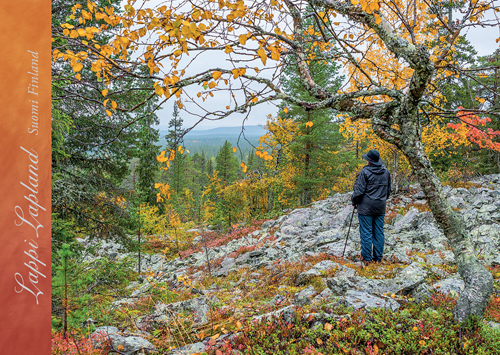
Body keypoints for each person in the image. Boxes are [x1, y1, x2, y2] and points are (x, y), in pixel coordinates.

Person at [351, 149, 391, 264]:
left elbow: (358, 191)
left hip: (366, 207)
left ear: (369, 161)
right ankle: (378, 258)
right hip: (380, 206)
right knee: (378, 231)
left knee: (366, 232)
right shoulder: (386, 172)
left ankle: (366, 258)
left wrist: (354, 201)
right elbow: (388, 191)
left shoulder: (365, 172)